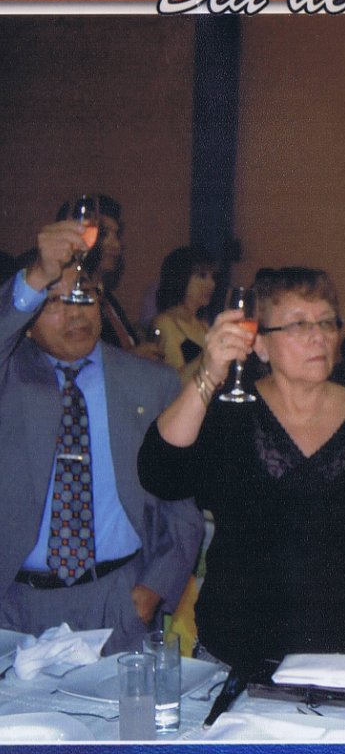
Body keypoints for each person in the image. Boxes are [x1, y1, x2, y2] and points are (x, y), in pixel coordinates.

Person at [137, 267, 345, 693]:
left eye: (327, 323)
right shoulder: (232, 415)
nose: (319, 337)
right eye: (298, 325)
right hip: (239, 653)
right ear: (259, 343)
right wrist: (209, 373)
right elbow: (160, 473)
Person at [0, 222, 204, 654]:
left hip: (117, 601)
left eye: (85, 296)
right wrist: (34, 278)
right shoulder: (10, 376)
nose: (76, 313)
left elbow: (181, 509)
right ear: (28, 322)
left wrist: (152, 592)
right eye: (54, 301)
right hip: (15, 607)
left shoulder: (152, 383)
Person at [57, 195, 162, 362]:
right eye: (103, 234)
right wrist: (130, 359)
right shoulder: (64, 300)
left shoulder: (107, 298)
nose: (116, 245)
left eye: (117, 234)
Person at [151, 246, 217, 384]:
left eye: (212, 277)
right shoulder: (165, 323)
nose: (211, 284)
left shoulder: (203, 325)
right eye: (202, 276)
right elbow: (173, 382)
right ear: (181, 278)